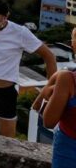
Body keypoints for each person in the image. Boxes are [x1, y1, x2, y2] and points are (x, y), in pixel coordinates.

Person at [0, 0, 57, 137]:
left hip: (5, 92)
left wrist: (51, 88)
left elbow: (49, 56)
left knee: (8, 139)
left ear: (6, 16)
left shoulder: (19, 32)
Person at [32, 26, 76, 168]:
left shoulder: (66, 78)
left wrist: (49, 91)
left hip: (69, 153)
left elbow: (48, 121)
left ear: (73, 45)